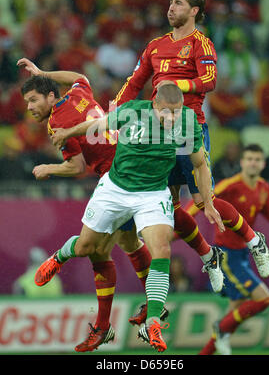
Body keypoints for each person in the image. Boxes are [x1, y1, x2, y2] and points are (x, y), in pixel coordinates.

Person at [18, 57, 224, 351]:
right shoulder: (91, 101)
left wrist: (48, 167)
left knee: (142, 243)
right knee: (112, 246)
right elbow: (89, 100)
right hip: (118, 177)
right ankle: (104, 300)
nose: (29, 107)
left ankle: (127, 321)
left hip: (137, 177)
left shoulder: (61, 115)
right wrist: (46, 82)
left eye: (33, 100)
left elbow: (76, 165)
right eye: (27, 102)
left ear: (52, 95)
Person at [110, 0, 269, 284]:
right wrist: (115, 114)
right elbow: (134, 82)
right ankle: (210, 256)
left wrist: (176, 87)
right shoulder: (155, 46)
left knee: (201, 199)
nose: (171, 7)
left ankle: (254, 241)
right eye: (170, 2)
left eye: (178, 3)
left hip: (189, 127)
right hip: (158, 133)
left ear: (194, 10)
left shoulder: (200, 43)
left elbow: (209, 80)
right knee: (168, 208)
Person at [186, 144, 269, 355]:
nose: (253, 162)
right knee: (263, 299)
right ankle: (220, 329)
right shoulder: (230, 185)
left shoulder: (264, 188)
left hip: (244, 254)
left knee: (234, 310)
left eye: (257, 159)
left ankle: (211, 346)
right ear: (243, 162)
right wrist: (180, 224)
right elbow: (200, 202)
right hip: (227, 254)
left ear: (263, 164)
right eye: (249, 159)